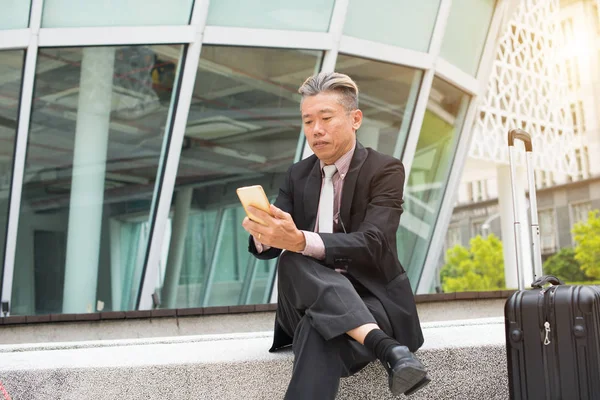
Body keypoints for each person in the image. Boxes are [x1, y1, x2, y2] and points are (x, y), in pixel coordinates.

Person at [241, 72, 429, 399]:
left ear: (355, 119)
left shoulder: (384, 170)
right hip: (305, 297)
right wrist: (265, 233)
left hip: (372, 300)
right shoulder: (298, 175)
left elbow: (374, 243)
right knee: (291, 261)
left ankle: (381, 343)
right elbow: (270, 248)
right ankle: (386, 348)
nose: (316, 129)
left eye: (326, 118)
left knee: (317, 329)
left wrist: (299, 241)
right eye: (308, 121)